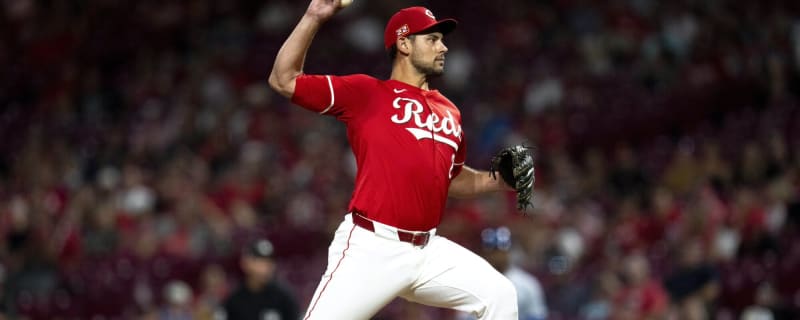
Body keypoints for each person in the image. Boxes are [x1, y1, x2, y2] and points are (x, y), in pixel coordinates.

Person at [268, 1, 519, 319]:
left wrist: (499, 180)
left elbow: (451, 179)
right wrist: (313, 16)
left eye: (441, 39)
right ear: (403, 43)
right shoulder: (367, 93)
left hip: (428, 250)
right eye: (432, 39)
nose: (443, 46)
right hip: (373, 246)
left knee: (500, 295)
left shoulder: (449, 111)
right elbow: (283, 79)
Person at [480, 227, 548, 320]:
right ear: (484, 254)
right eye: (493, 251)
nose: (497, 256)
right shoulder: (475, 283)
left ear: (508, 252)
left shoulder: (527, 283)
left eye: (501, 251)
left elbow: (537, 316)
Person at [222, 239, 299, 320]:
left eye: (268, 262)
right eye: (258, 262)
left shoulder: (285, 297)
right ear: (244, 263)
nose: (264, 268)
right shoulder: (234, 300)